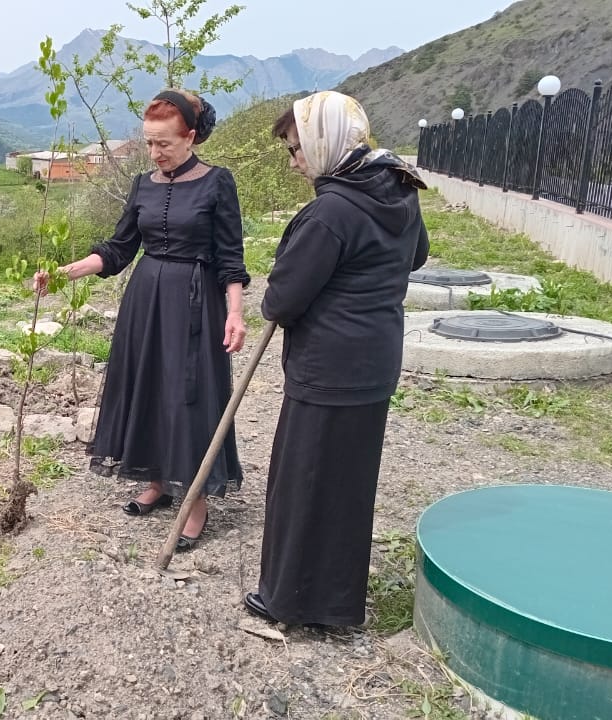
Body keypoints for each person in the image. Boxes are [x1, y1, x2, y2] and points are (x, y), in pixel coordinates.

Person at [244, 91, 429, 627]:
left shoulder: (331, 212)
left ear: (325, 142)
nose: (295, 160)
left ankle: (289, 601)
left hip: (327, 368)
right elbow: (415, 254)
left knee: (304, 481)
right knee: (347, 484)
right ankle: (336, 603)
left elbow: (280, 301)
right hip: (374, 361)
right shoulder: (396, 187)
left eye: (297, 148)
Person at [35, 89, 249, 550]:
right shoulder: (142, 185)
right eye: (149, 143)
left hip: (196, 301)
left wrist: (235, 313)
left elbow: (231, 259)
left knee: (188, 394)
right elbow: (117, 250)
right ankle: (158, 479)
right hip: (145, 300)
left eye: (164, 144)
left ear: (190, 137)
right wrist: (61, 274)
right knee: (148, 387)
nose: (155, 153)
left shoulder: (218, 183)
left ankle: (194, 498)